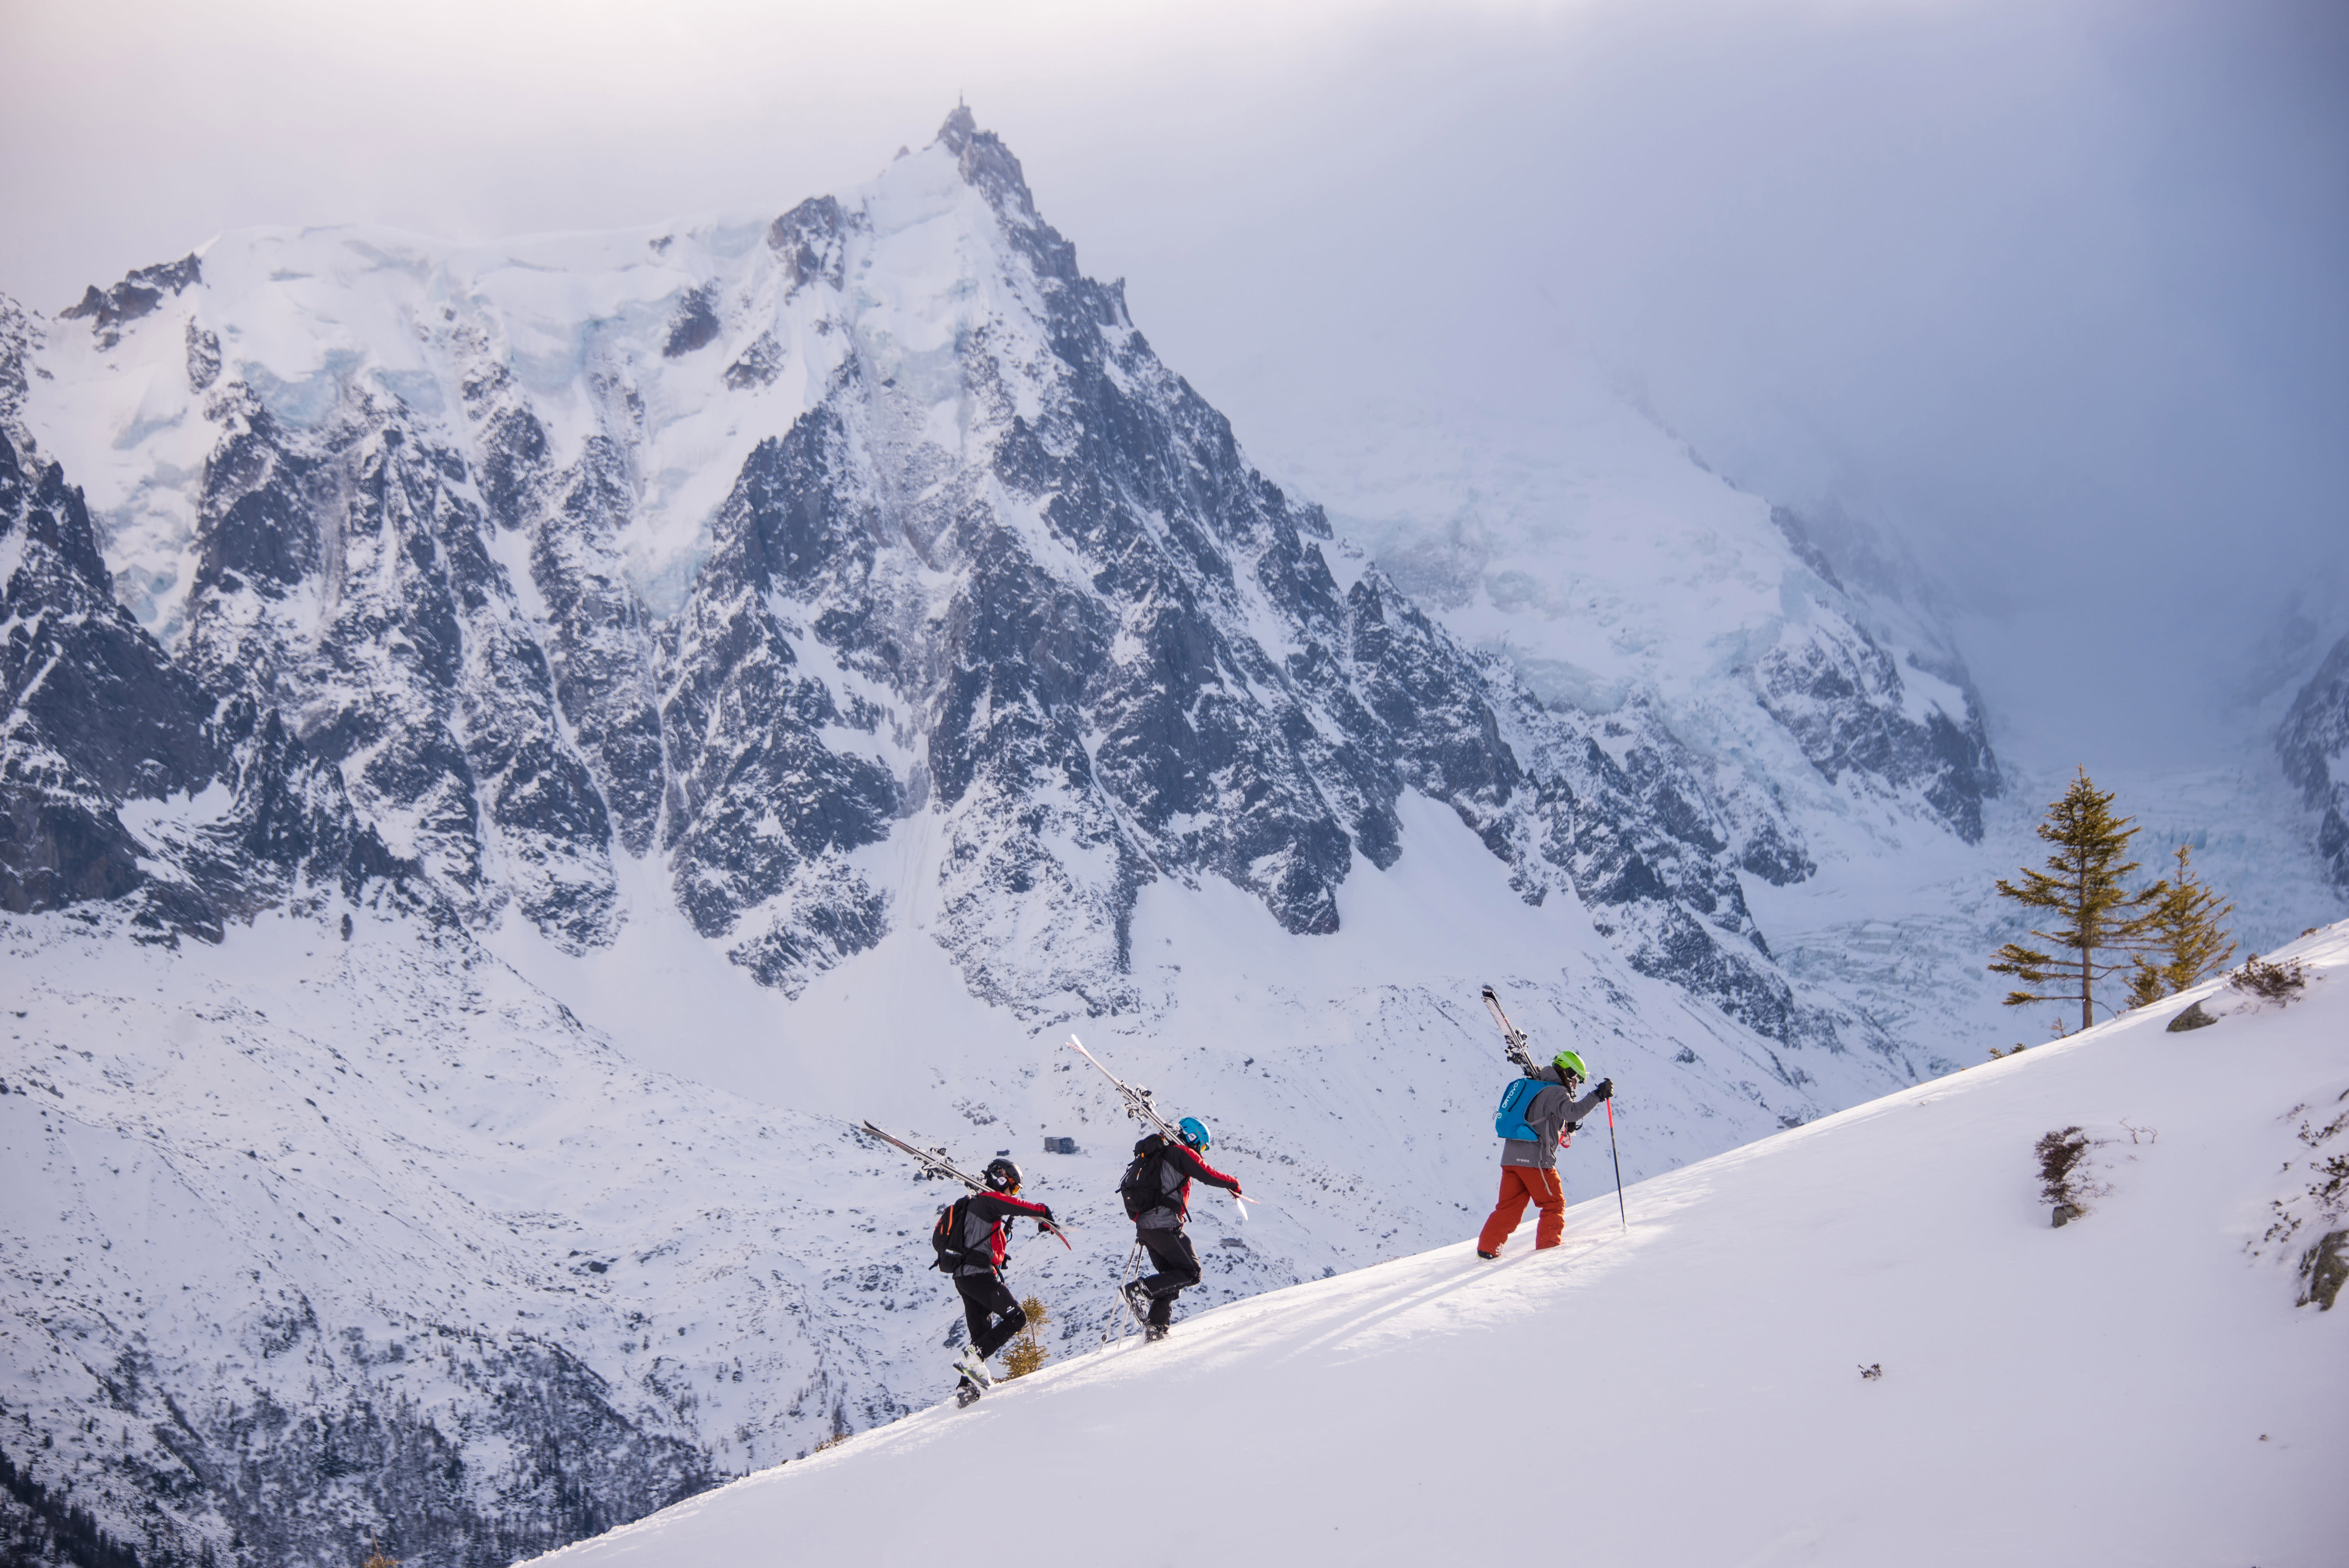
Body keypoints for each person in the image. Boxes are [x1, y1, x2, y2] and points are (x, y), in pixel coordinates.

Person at [1475, 1051, 1613, 1258]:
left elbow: (1547, 1115)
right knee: (1553, 1204)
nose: (1575, 1086)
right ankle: (1547, 1254)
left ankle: (1487, 1251)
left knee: (1508, 1209)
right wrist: (1597, 1096)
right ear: (1567, 1073)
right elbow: (1572, 1112)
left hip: (1511, 1159)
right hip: (1535, 1160)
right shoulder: (1556, 1092)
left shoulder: (1535, 1085)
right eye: (1575, 1080)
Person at [1120, 1116, 1242, 1342]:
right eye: (1203, 1145)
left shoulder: (1162, 1152)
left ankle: (1156, 1331)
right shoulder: (1181, 1153)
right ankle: (1139, 1291)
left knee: (1171, 1280)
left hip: (1147, 1228)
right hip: (1164, 1225)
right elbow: (1207, 1174)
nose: (1202, 1150)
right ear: (1194, 1137)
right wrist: (1233, 1183)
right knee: (1191, 1272)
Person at [946, 1157, 1057, 1398]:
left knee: (981, 1338)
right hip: (978, 1277)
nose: (1013, 1192)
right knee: (1017, 1318)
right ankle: (971, 1361)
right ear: (1001, 1179)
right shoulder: (987, 1200)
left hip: (965, 1279)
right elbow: (1014, 1205)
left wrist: (996, 1258)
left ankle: (967, 1390)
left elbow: (980, 1241)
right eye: (1013, 1186)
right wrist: (1042, 1212)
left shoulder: (975, 1204)